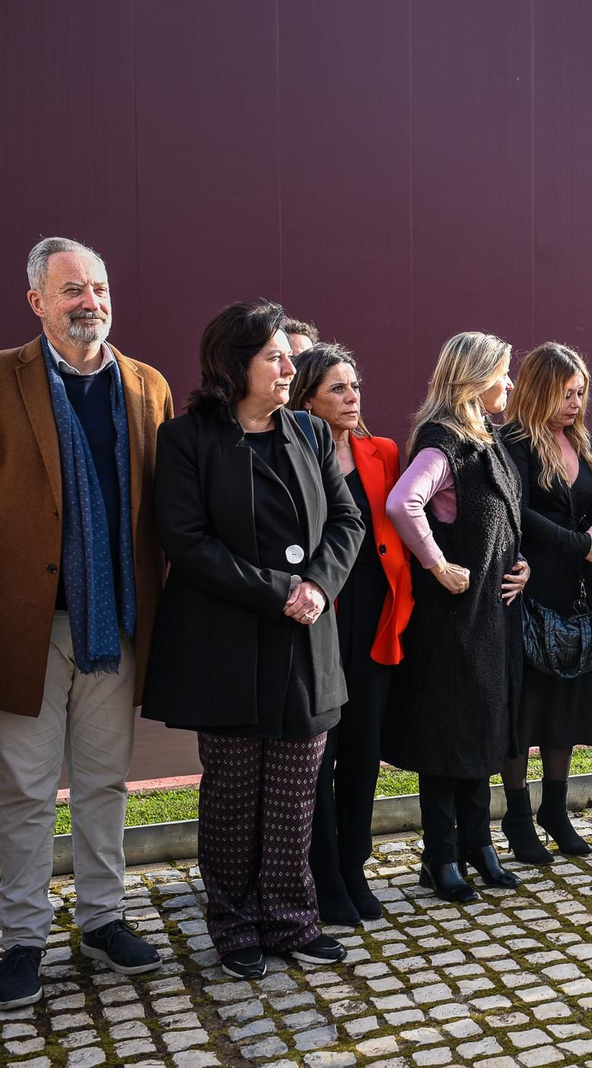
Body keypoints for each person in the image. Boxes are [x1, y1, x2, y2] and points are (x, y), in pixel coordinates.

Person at [141, 300, 364, 979]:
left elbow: (347, 521)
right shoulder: (187, 439)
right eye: (276, 357)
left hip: (304, 645)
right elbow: (186, 540)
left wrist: (318, 585)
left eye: (289, 357)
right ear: (236, 365)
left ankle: (291, 920)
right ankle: (234, 925)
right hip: (226, 646)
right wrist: (279, 591)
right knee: (234, 796)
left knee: (296, 793)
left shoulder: (311, 433)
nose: (290, 367)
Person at [0, 238, 173, 1008]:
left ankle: (103, 919)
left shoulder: (146, 385)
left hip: (117, 626)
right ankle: (22, 938)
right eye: (71, 290)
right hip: (27, 627)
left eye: (98, 287)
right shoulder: (4, 379)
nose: (89, 302)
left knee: (105, 783)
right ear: (37, 301)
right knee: (25, 791)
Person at [384, 332, 529, 901]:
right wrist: (438, 564)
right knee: (447, 739)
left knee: (481, 730)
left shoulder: (485, 438)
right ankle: (440, 857)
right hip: (451, 621)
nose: (510, 383)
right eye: (502, 373)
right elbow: (403, 502)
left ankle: (478, 846)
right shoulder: (444, 441)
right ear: (474, 379)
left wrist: (521, 564)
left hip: (488, 617)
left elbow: (504, 518)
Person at [287, 343, 414, 925]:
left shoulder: (382, 450)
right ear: (308, 398)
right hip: (317, 620)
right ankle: (324, 874)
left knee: (364, 749)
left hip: (374, 618)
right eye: (337, 388)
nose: (352, 396)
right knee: (322, 754)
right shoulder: (292, 453)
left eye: (355, 385)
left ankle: (355, 866)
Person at [502, 342, 592, 861]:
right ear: (540, 389)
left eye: (580, 393)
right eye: (566, 393)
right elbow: (517, 513)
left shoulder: (577, 441)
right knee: (525, 710)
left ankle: (555, 809)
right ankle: (517, 816)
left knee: (565, 704)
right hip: (528, 586)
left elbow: (583, 511)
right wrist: (579, 543)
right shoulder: (515, 441)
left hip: (574, 588)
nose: (575, 403)